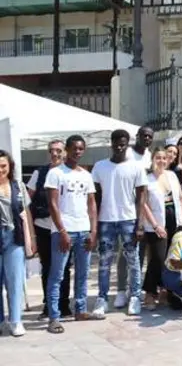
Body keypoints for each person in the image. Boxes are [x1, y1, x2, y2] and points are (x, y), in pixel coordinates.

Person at [90, 129, 148, 318]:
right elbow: (95, 197)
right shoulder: (100, 166)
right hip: (106, 219)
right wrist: (94, 224)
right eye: (116, 143)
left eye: (123, 143)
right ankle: (102, 299)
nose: (119, 147)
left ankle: (135, 297)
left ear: (127, 144)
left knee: (133, 260)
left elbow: (141, 197)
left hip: (128, 219)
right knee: (104, 261)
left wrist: (140, 224)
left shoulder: (136, 167)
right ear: (111, 144)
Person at [45, 135, 98, 333]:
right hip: (63, 231)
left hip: (83, 230)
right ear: (66, 149)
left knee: (83, 273)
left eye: (81, 148)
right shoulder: (56, 173)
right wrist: (62, 231)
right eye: (74, 148)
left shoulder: (86, 175)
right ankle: (54, 317)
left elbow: (92, 204)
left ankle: (80, 310)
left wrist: (93, 231)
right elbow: (52, 204)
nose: (77, 152)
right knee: (57, 275)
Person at [27, 139, 70, 320]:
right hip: (43, 226)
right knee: (47, 267)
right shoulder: (39, 173)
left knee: (64, 268)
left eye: (59, 150)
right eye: (52, 150)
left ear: (65, 152)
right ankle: (48, 306)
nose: (55, 153)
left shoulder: (69, 172)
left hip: (64, 228)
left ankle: (64, 305)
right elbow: (27, 201)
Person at [141, 148, 182, 311]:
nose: (161, 161)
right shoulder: (147, 179)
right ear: (152, 160)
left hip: (175, 222)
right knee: (158, 259)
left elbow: (181, 198)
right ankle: (149, 293)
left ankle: (165, 291)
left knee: (170, 259)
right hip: (156, 224)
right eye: (158, 158)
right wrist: (155, 225)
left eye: (164, 158)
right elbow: (144, 204)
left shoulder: (172, 176)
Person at [0, 150, 35, 336]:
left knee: (15, 280)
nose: (0, 170)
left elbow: (26, 212)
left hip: (15, 236)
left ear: (10, 166)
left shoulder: (18, 186)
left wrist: (32, 238)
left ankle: (16, 321)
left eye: (3, 166)